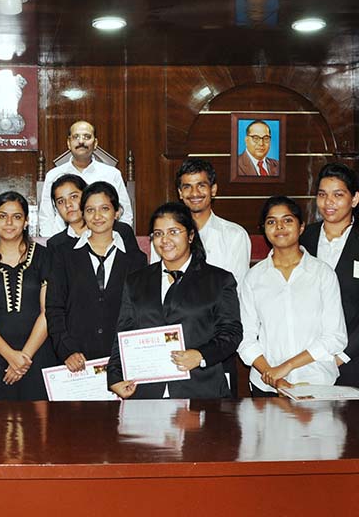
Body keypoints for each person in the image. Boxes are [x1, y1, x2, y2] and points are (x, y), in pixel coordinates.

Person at [108, 202, 242, 399]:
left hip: (200, 390)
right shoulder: (136, 280)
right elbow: (123, 332)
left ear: (190, 235)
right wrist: (114, 377)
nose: (165, 240)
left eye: (173, 232)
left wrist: (200, 355)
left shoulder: (219, 280)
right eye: (158, 234)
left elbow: (231, 333)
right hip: (146, 392)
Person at [150, 159, 250, 396]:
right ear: (179, 192)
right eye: (187, 187)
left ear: (213, 189)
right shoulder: (164, 238)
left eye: (201, 185)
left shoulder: (234, 236)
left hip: (215, 347)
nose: (194, 193)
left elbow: (237, 297)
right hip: (168, 351)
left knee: (214, 415)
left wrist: (207, 349)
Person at [239, 196, 347, 396]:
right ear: (264, 229)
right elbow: (246, 338)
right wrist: (274, 376)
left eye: (287, 220)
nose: (279, 227)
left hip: (316, 383)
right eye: (271, 222)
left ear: (301, 227)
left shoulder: (322, 273)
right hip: (267, 386)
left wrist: (286, 367)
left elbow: (335, 337)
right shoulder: (253, 278)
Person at [46, 182, 146, 372]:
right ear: (83, 214)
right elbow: (54, 308)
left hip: (121, 360)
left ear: (117, 212)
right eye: (90, 210)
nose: (97, 216)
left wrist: (128, 355)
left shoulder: (136, 259)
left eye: (104, 209)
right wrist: (67, 350)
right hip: (76, 361)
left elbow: (140, 312)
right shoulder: (64, 255)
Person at [0, 191, 56, 400]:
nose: (9, 223)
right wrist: (10, 355)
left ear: (26, 221)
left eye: (16, 217)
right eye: (2, 216)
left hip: (37, 354)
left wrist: (23, 358)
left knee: (38, 419)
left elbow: (48, 311)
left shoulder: (44, 257)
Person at [300, 163, 359, 386]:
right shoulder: (303, 238)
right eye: (322, 194)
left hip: (352, 359)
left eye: (338, 195)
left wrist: (341, 357)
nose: (328, 202)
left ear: (354, 199)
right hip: (305, 359)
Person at [39, 120, 133, 236]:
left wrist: (116, 240)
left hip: (104, 240)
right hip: (63, 241)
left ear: (95, 143)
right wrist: (51, 243)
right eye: (76, 137)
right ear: (69, 143)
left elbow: (125, 215)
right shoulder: (53, 175)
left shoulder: (112, 174)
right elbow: (46, 217)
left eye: (87, 137)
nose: (81, 141)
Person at [45, 173, 139, 252]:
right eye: (60, 201)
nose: (68, 204)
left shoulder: (120, 231)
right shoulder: (55, 244)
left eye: (74, 197)